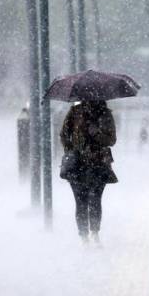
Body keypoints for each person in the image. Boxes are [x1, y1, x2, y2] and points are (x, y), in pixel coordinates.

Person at [60, 100, 117, 246]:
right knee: (81, 201)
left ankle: (95, 233)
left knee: (95, 199)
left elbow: (111, 140)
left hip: (98, 163)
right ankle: (84, 236)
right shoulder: (74, 112)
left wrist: (96, 133)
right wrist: (71, 150)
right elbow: (64, 135)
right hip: (77, 165)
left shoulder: (105, 114)